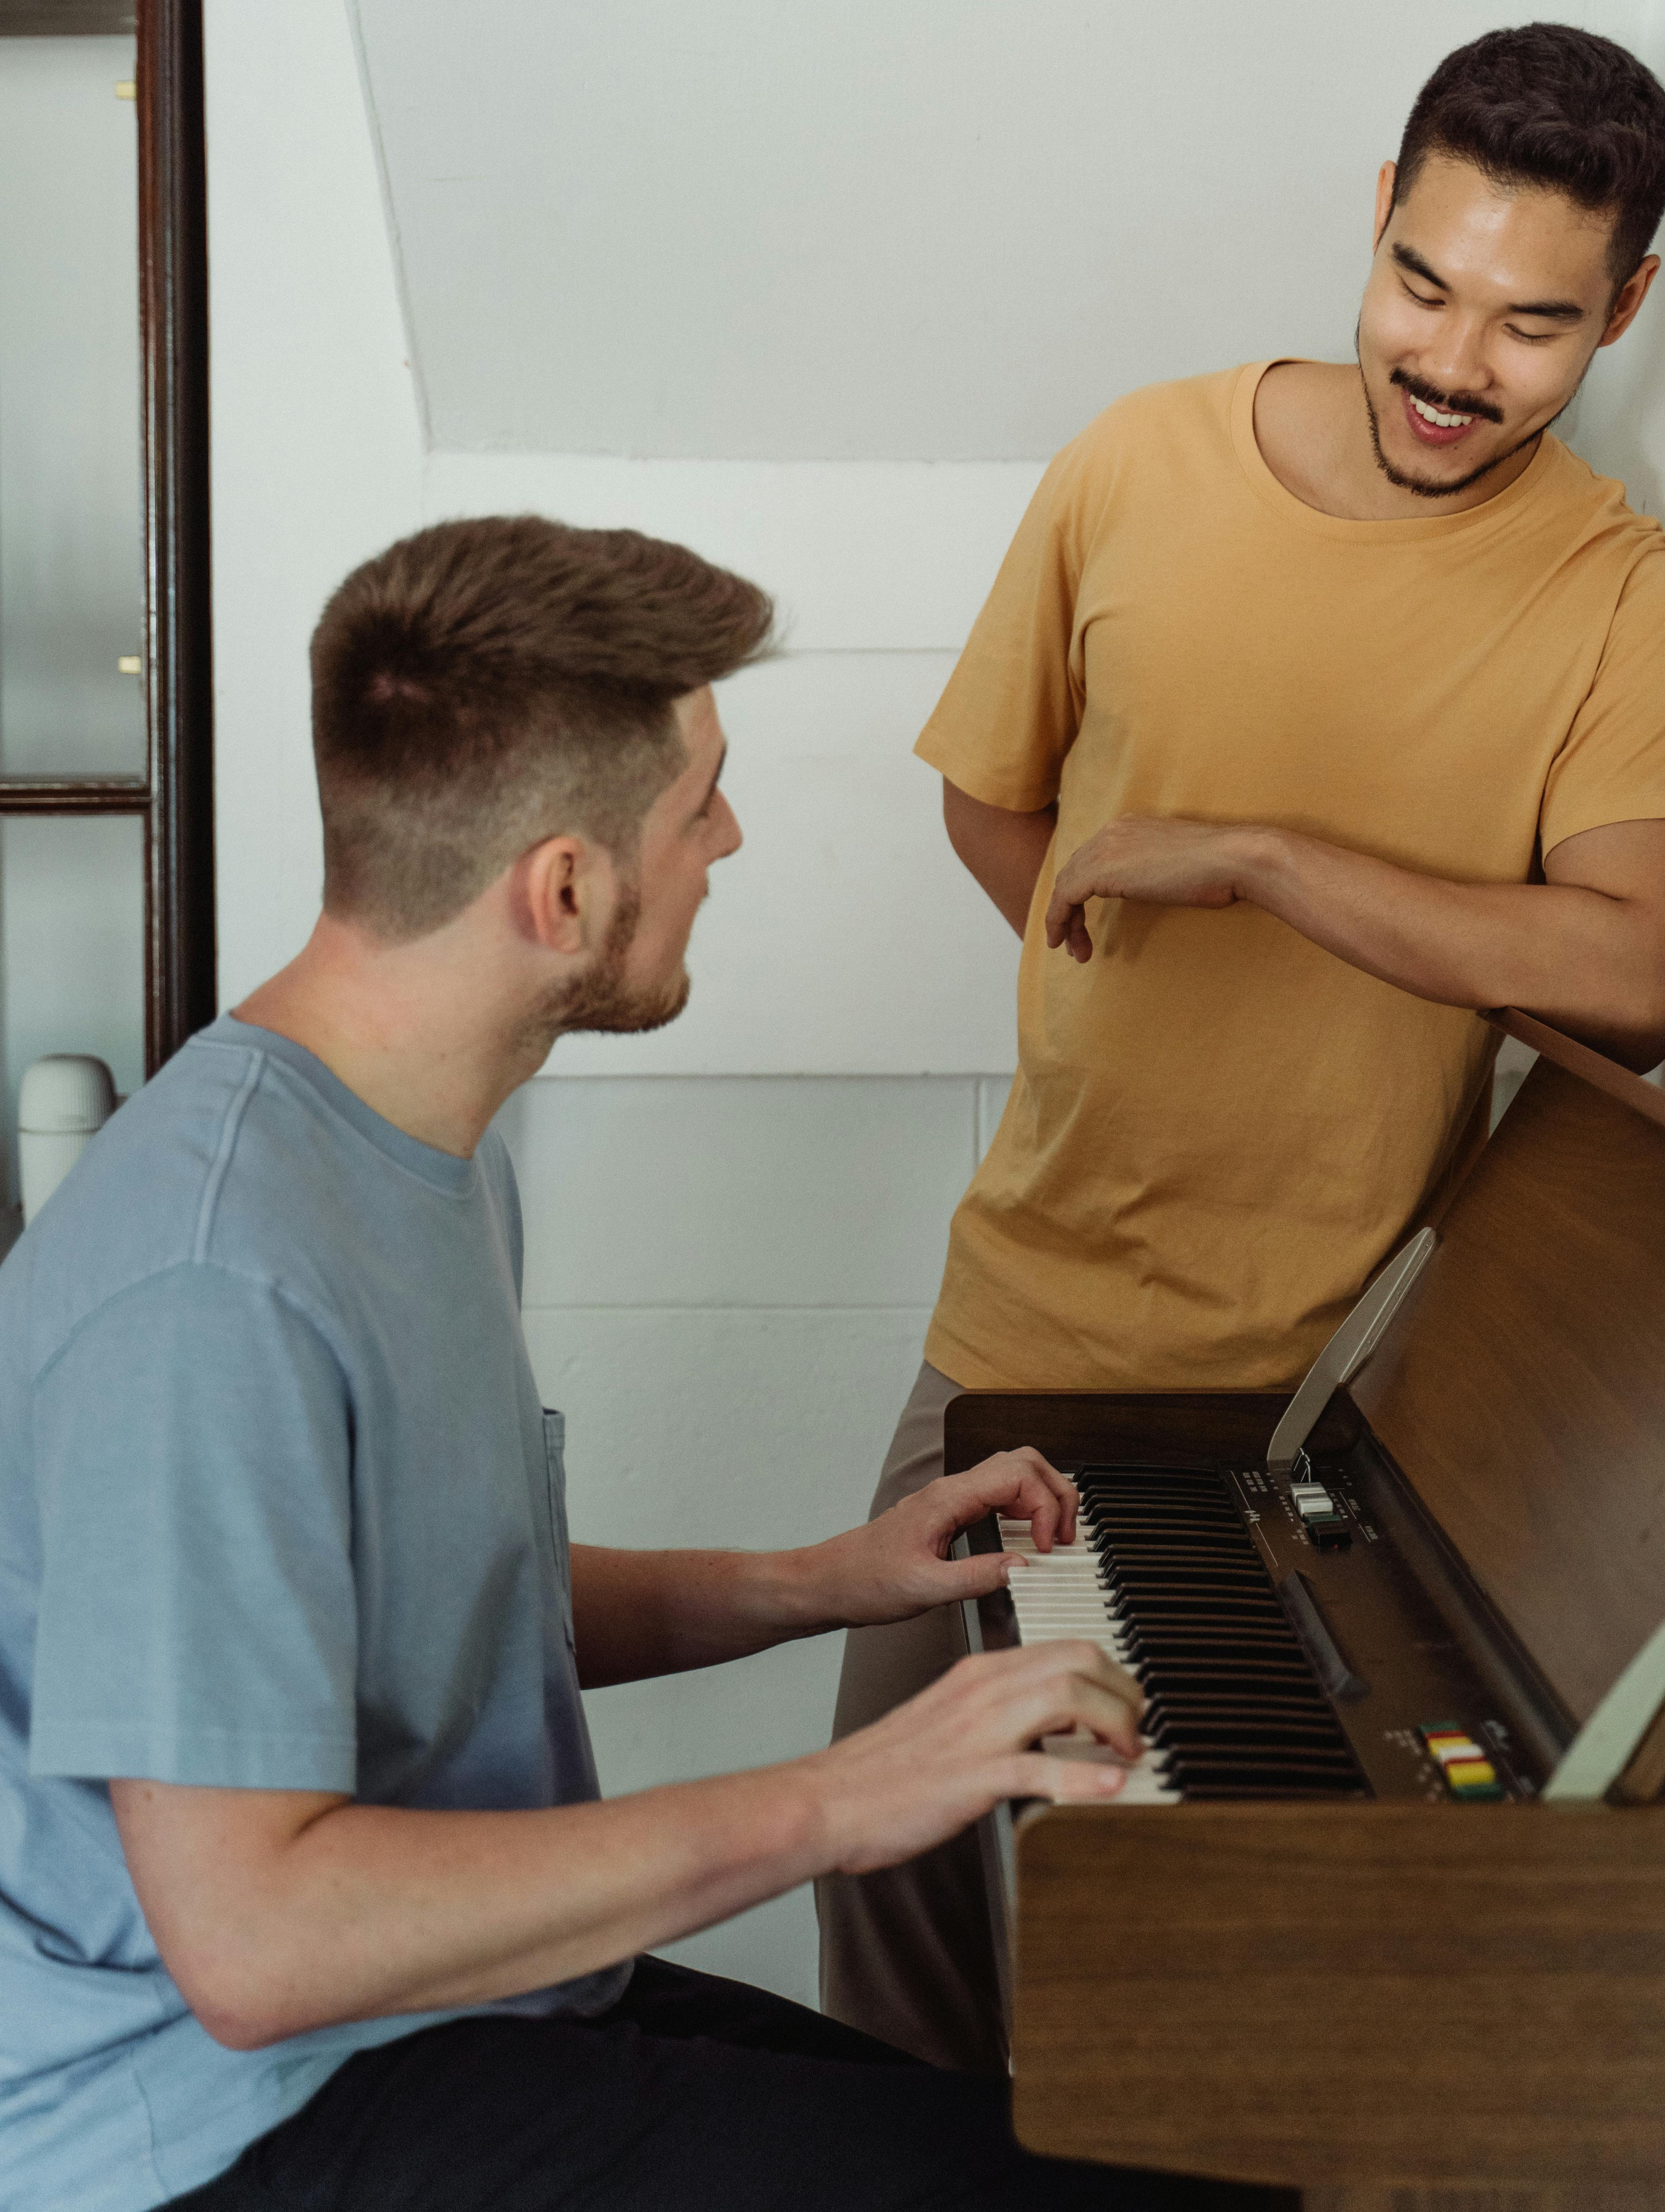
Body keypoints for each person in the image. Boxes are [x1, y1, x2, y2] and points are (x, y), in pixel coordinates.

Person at [0, 517, 1260, 2212]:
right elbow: (256, 1945)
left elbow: (420, 1612)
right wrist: (842, 1797)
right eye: (700, 805)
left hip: (426, 2020)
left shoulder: (411, 1147)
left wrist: (824, 1580)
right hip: (217, 2120)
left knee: (1133, 2152)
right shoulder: (216, 1286)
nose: (729, 838)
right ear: (567, 888)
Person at [819, 22, 1665, 2070]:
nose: (1448, 363)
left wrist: (1267, 866)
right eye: (1421, 281)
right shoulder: (1135, 460)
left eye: (1528, 324)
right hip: (1021, 1334)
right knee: (894, 1915)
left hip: (1335, 1403)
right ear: (1376, 214)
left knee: (1206, 2014)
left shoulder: (1612, 587)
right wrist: (1123, 984)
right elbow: (992, 800)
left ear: (1630, 309)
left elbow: (1642, 974)